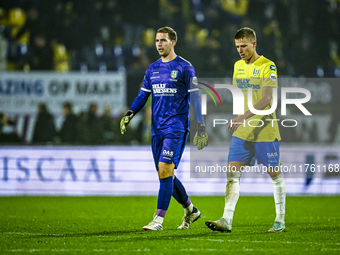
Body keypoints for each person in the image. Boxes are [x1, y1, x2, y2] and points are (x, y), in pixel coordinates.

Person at [120, 26, 208, 230]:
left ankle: (158, 219)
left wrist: (201, 126)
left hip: (175, 127)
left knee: (165, 169)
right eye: (157, 41)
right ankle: (191, 210)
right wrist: (130, 114)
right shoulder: (152, 69)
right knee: (164, 173)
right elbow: (143, 95)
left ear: (173, 42)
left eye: (163, 40)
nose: (159, 44)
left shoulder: (185, 67)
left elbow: (195, 97)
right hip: (156, 128)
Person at [205, 27, 286, 233]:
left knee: (275, 174)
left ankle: (280, 220)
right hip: (243, 130)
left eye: (244, 46)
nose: (240, 50)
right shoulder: (237, 66)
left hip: (264, 129)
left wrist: (242, 117)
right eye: (237, 47)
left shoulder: (268, 66)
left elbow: (267, 99)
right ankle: (226, 219)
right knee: (232, 172)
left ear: (254, 44)